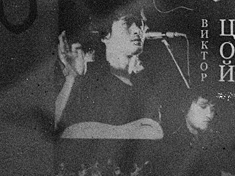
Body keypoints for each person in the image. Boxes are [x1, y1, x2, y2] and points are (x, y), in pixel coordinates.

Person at [56, 8, 162, 139]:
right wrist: (71, 77)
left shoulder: (146, 85)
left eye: (140, 23)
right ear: (106, 35)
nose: (136, 30)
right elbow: (60, 131)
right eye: (126, 23)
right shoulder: (90, 81)